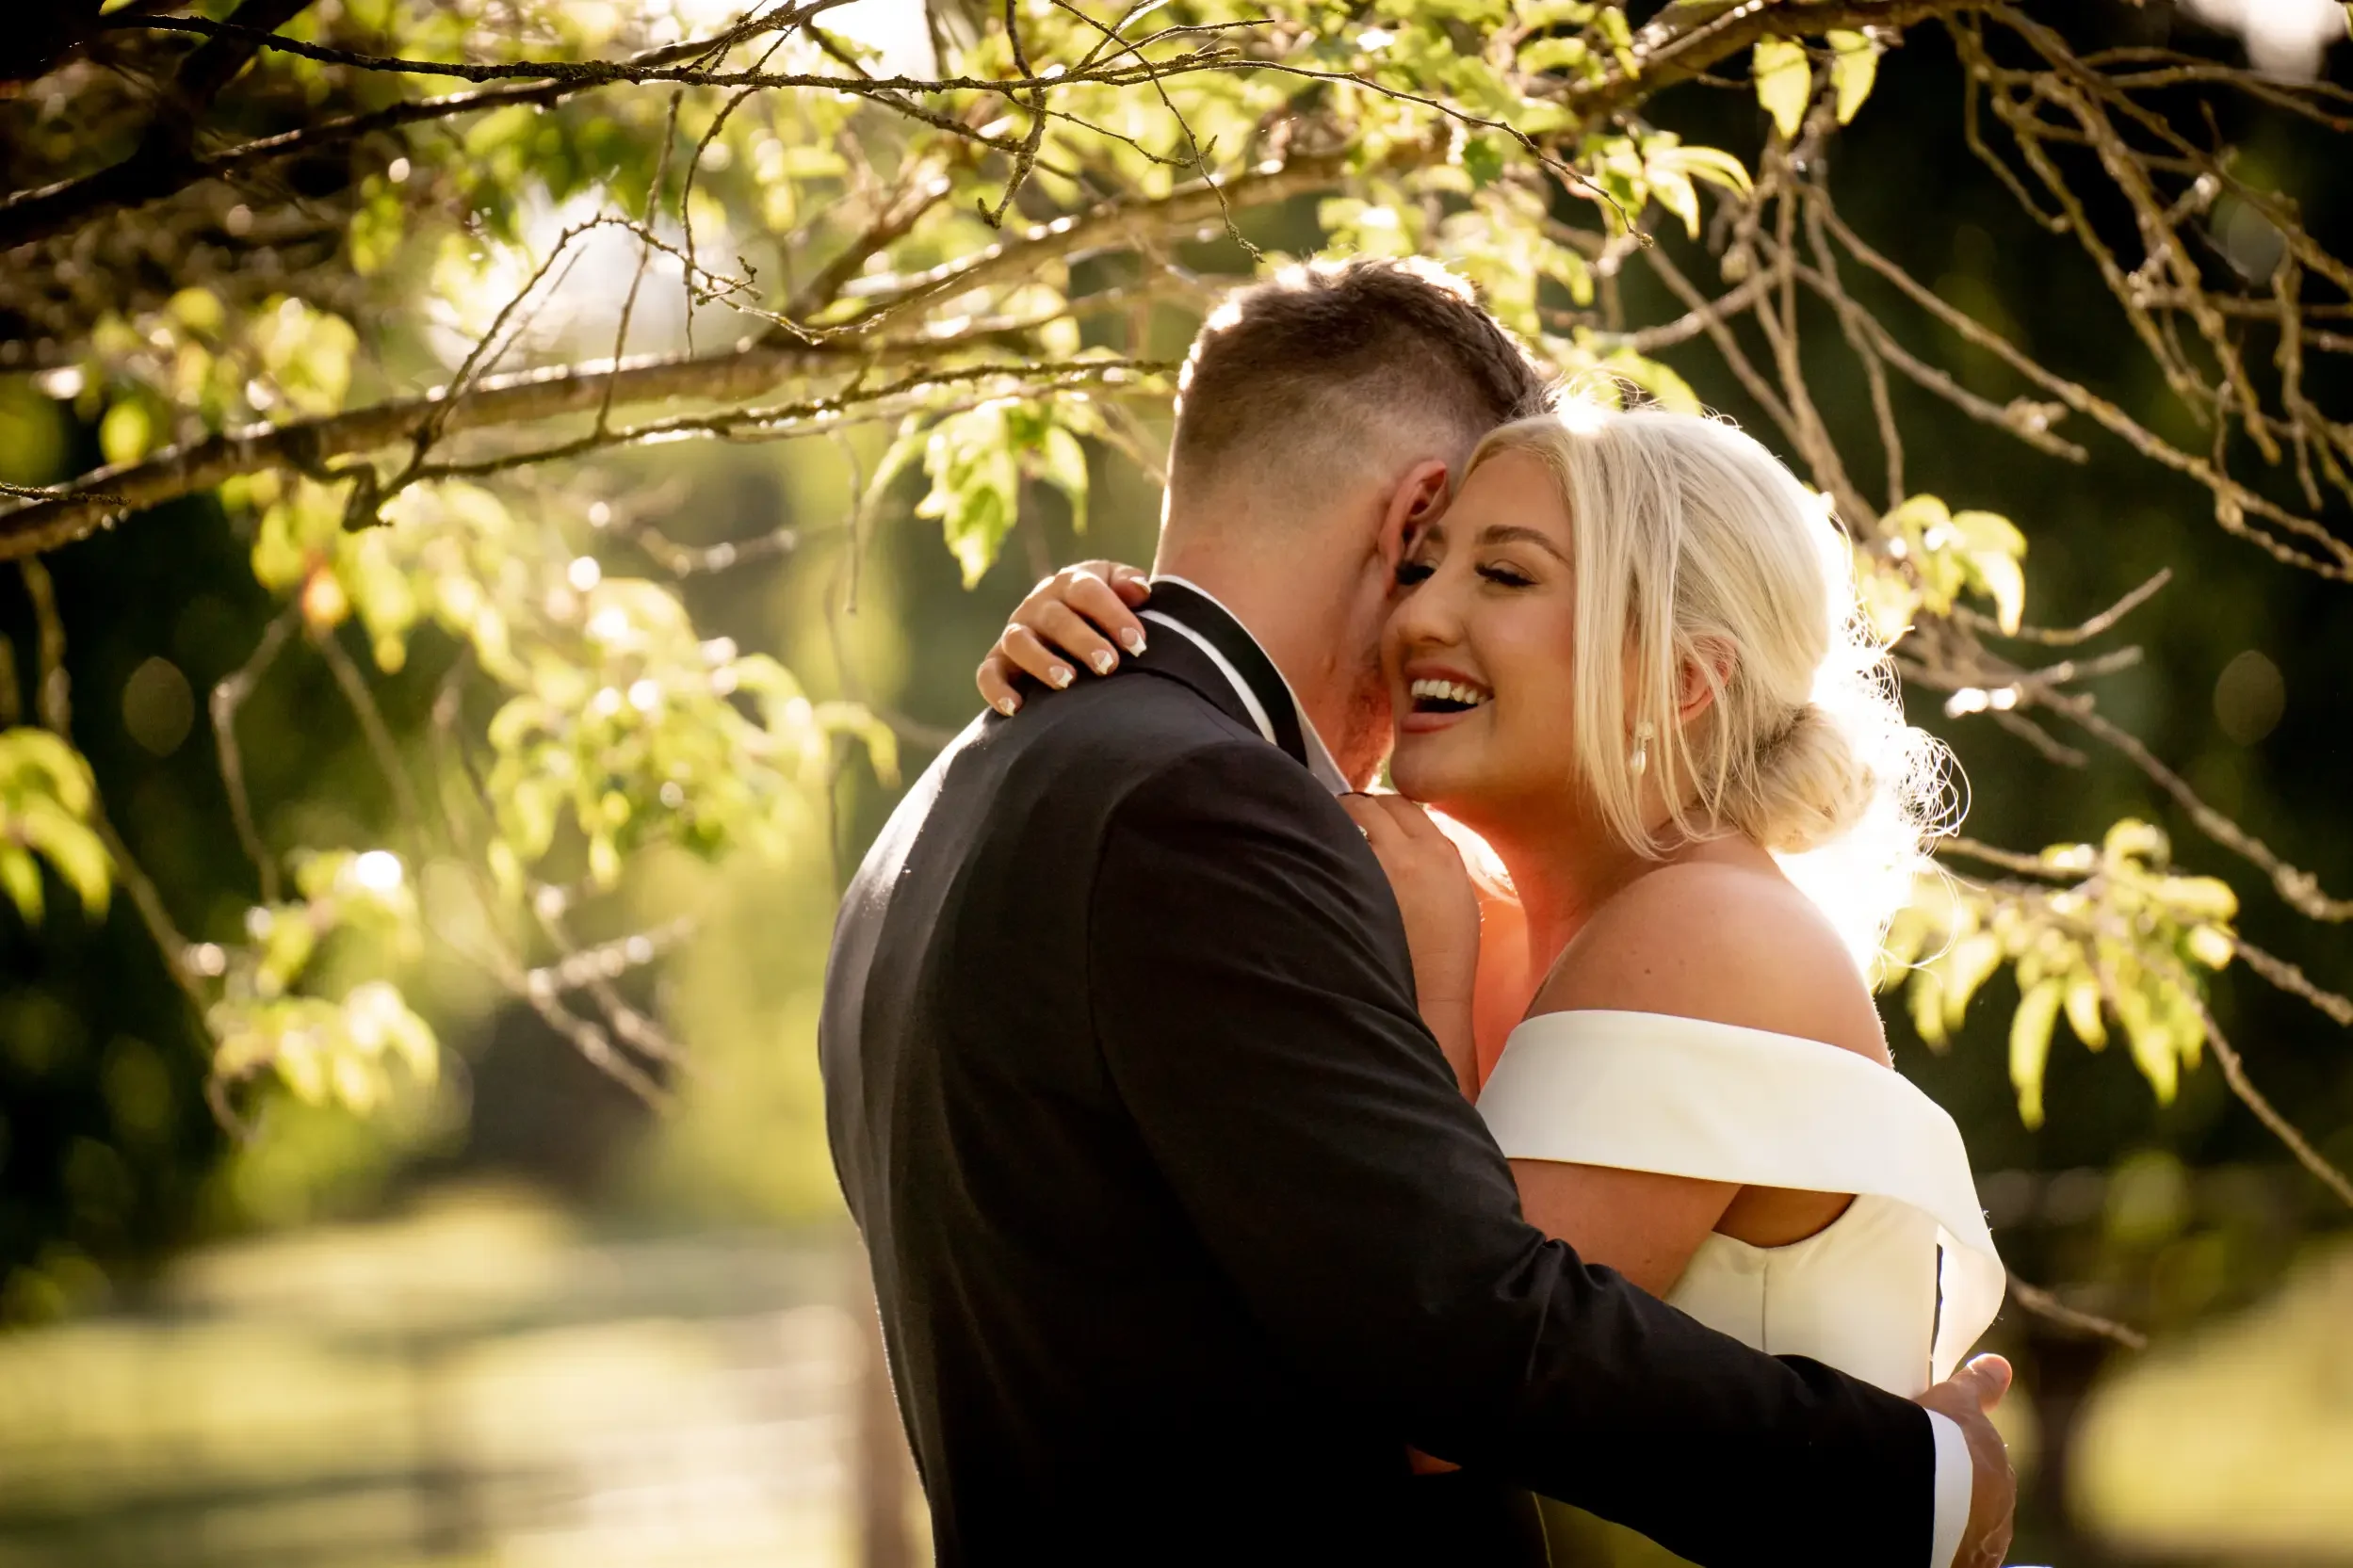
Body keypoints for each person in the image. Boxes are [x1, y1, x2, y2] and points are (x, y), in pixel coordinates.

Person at [820, 256, 2014, 1566]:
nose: (1424, 618)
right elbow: (1455, 1328)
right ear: (1404, 522)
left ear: (1676, 678)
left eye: (1500, 574)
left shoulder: (953, 798)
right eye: (1432, 561)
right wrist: (1918, 1483)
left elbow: (1436, 1297)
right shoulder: (1203, 810)